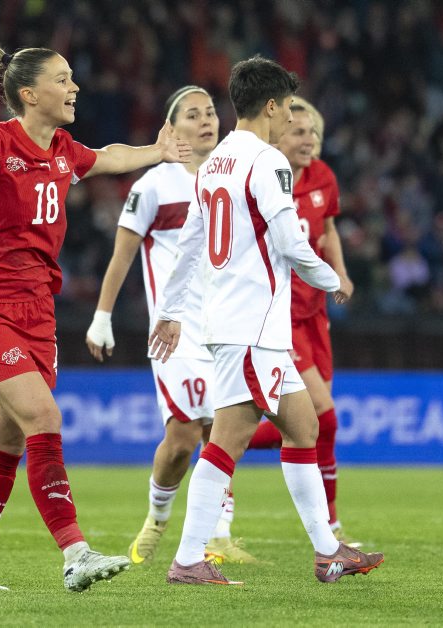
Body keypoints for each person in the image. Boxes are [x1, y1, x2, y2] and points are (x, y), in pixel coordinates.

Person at [0, 15, 192, 592]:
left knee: (6, 441)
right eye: (63, 79)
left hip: (37, 309)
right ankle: (75, 554)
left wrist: (157, 150)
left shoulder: (64, 150)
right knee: (45, 417)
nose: (75, 87)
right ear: (29, 94)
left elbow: (109, 156)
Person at [148, 55, 383, 585]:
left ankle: (328, 552)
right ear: (272, 106)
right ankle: (188, 559)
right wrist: (332, 279)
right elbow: (291, 240)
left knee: (304, 428)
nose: (292, 119)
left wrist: (171, 311)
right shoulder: (266, 161)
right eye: (289, 108)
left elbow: (188, 245)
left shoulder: (215, 163)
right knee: (227, 441)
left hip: (242, 325)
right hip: (252, 327)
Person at [84, 86, 256, 565]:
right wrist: (102, 317)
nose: (206, 121)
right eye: (192, 115)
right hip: (174, 332)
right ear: (171, 127)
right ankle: (157, 516)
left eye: (210, 112)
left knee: (222, 432)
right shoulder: (154, 186)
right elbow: (122, 255)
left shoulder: (235, 176)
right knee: (182, 439)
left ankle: (218, 536)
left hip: (227, 326)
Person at [245, 97, 361, 546]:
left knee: (309, 424)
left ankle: (225, 443)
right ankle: (331, 525)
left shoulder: (323, 176)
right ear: (278, 136)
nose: (309, 139)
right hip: (280, 316)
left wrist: (341, 274)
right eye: (298, 131)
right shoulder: (265, 177)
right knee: (324, 418)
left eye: (312, 131)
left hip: (315, 315)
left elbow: (328, 230)